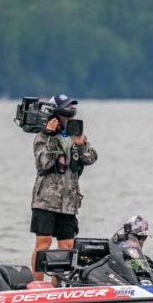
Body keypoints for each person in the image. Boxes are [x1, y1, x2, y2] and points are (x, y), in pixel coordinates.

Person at [30, 94, 98, 282]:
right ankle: (37, 285)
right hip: (46, 200)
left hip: (69, 202)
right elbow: (43, 163)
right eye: (67, 106)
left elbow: (91, 158)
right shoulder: (42, 135)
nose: (70, 110)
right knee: (43, 244)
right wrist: (52, 137)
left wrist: (81, 144)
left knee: (66, 246)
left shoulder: (76, 132)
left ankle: (57, 288)